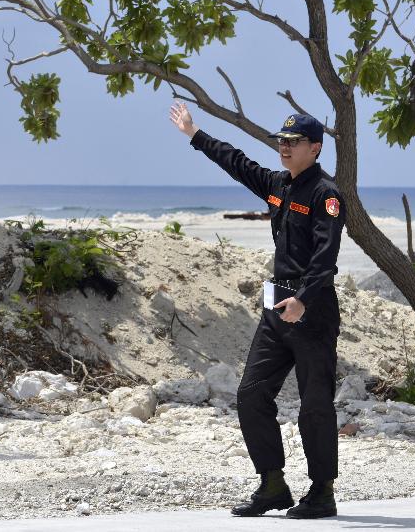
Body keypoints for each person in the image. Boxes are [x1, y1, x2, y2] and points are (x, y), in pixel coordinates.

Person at [169, 101, 345, 519]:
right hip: (275, 304)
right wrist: (195, 135)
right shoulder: (277, 184)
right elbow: (236, 162)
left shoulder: (326, 195)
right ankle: (272, 484)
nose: (284, 148)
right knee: (251, 395)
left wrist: (302, 299)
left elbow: (326, 256)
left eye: (294, 141)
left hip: (312, 308)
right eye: (282, 141)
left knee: (315, 405)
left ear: (315, 148)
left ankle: (322, 492)